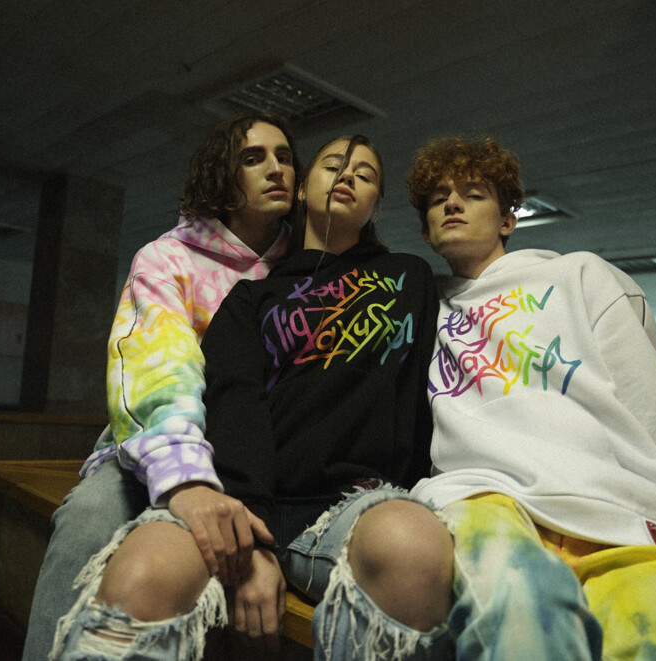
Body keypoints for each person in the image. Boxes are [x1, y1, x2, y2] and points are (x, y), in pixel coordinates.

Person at [51, 135, 454, 661]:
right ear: (303, 191)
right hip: (241, 498)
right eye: (333, 165)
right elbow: (235, 402)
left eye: (366, 174)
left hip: (352, 504)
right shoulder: (251, 295)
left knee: (416, 548)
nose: (348, 176)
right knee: (143, 575)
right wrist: (253, 535)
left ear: (376, 206)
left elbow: (423, 399)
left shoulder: (409, 277)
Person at [404, 134, 656, 660]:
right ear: (426, 231)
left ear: (508, 221)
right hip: (484, 503)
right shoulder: (421, 310)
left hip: (616, 512)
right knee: (523, 624)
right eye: (438, 199)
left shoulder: (581, 275)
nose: (452, 204)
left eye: (473, 194)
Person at [22, 112, 300, 661]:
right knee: (87, 520)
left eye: (285, 157)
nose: (276, 169)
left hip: (260, 459)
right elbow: (158, 367)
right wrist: (185, 480)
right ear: (224, 179)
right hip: (161, 446)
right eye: (254, 158)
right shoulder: (169, 258)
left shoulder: (306, 269)